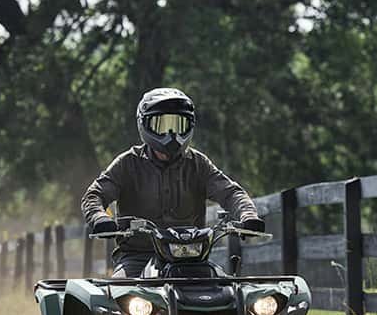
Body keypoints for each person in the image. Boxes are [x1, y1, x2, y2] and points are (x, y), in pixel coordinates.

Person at [81, 87, 264, 278]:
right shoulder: (128, 163)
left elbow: (231, 193)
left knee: (228, 294)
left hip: (193, 258)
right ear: (144, 124)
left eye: (178, 124)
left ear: (190, 126)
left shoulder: (198, 163)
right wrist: (100, 218)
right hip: (137, 257)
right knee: (120, 295)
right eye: (162, 124)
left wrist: (248, 215)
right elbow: (95, 195)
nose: (172, 134)